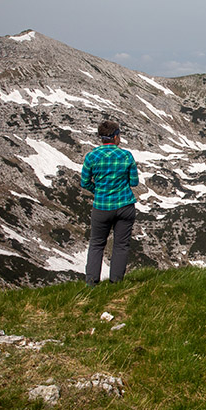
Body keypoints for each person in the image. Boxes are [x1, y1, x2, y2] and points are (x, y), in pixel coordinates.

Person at [80, 120, 139, 286]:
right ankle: (116, 283)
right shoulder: (126, 155)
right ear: (114, 137)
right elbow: (134, 182)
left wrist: (98, 190)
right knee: (121, 245)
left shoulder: (91, 156)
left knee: (97, 244)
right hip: (125, 205)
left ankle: (91, 283)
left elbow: (84, 182)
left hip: (101, 206)